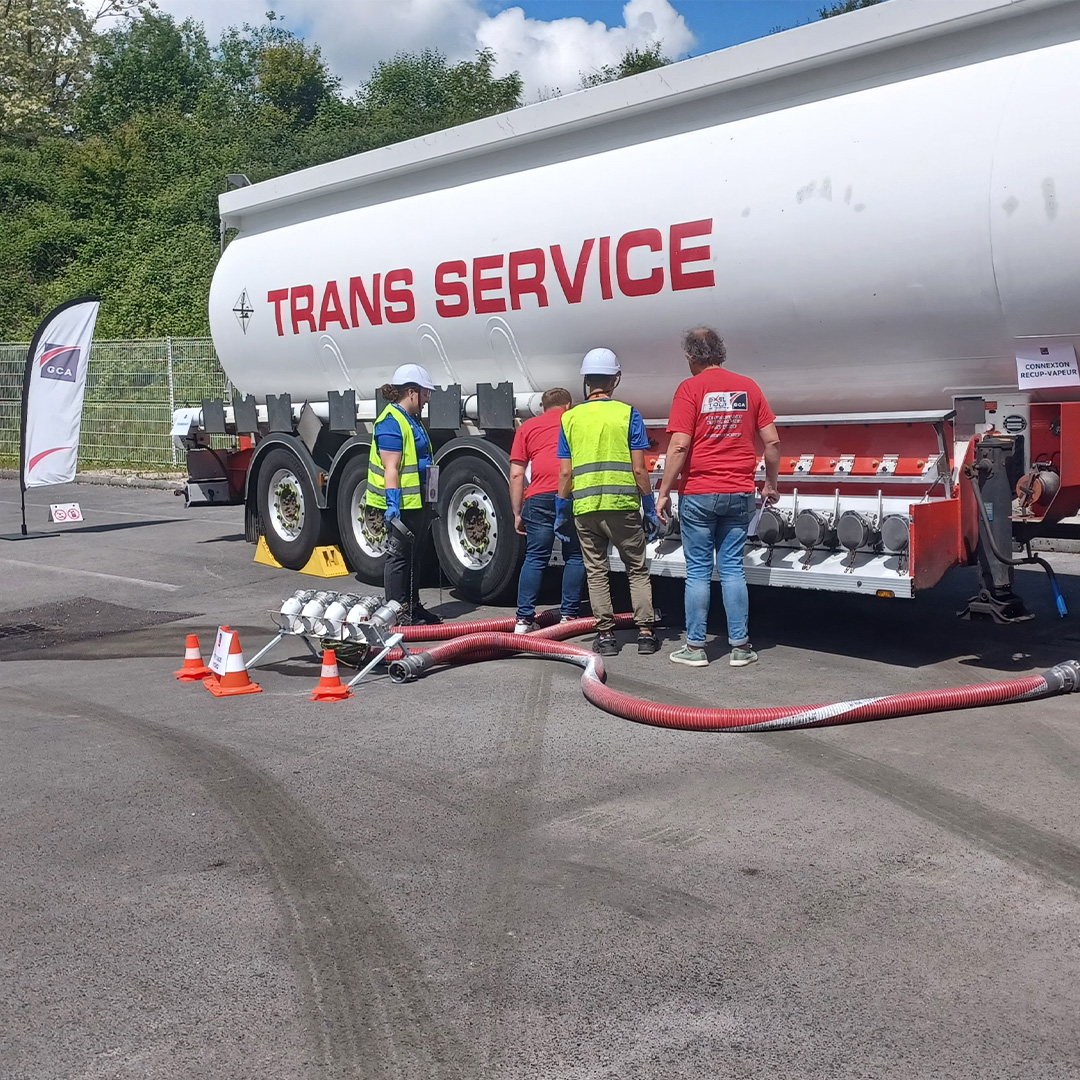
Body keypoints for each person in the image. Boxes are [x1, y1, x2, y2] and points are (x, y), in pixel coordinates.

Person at [655, 327, 781, 668]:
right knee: (732, 570)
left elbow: (680, 444)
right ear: (720, 352)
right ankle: (740, 646)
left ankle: (695, 648)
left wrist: (663, 491)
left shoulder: (689, 389)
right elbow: (772, 442)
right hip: (739, 491)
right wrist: (769, 483)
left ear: (690, 356)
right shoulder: (749, 387)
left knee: (697, 572)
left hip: (699, 492)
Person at [556, 348, 661, 657]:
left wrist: (562, 510)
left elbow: (565, 472)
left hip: (586, 508)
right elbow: (639, 468)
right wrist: (649, 506)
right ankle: (644, 633)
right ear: (615, 379)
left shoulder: (570, 418)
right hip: (623, 505)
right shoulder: (628, 414)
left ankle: (605, 636)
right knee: (637, 570)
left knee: (596, 571)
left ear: (587, 382)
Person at [366, 363, 442, 626]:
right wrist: (392, 505)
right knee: (399, 558)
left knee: (415, 556)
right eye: (425, 393)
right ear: (412, 392)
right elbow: (391, 468)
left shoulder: (413, 421)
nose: (427, 399)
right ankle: (396, 613)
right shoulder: (390, 422)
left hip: (418, 499)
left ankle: (413, 606)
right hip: (402, 504)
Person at [510, 387, 586, 633]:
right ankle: (569, 616)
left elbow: (517, 473)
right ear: (568, 406)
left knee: (535, 557)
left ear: (542, 407)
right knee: (574, 555)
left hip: (539, 498)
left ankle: (523, 620)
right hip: (571, 494)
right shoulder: (574, 421)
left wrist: (517, 512)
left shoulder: (527, 428)